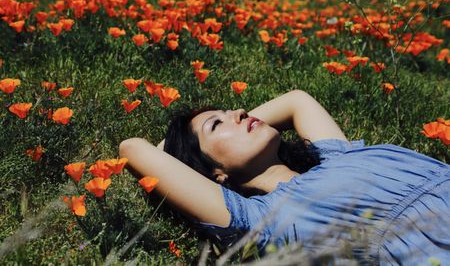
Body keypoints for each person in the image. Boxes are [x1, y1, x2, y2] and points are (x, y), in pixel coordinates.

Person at [119, 90, 450, 265]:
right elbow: (133, 148)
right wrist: (183, 156)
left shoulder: (335, 155)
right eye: (216, 124)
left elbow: (296, 100)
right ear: (214, 174)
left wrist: (229, 126)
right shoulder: (260, 220)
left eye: (232, 111)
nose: (239, 112)